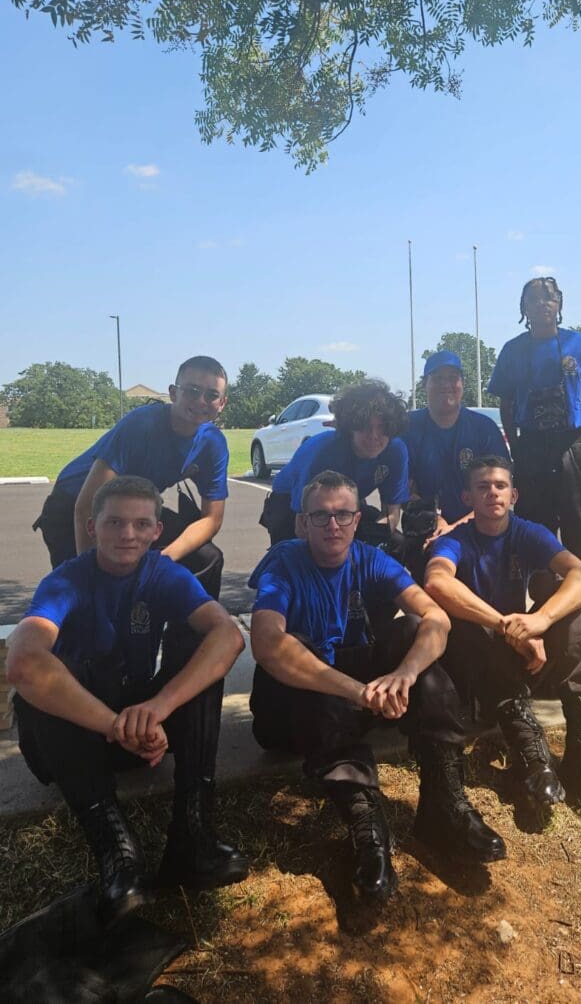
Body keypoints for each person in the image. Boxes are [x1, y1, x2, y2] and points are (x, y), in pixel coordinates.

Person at [249, 469, 506, 906]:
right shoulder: (284, 562)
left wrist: (404, 674)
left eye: (343, 515)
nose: (333, 525)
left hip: (354, 698)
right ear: (301, 523)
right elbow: (267, 643)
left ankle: (443, 803)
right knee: (303, 649)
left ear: (357, 519)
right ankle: (366, 826)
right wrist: (354, 689)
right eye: (321, 515)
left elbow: (436, 618)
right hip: (291, 710)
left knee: (414, 636)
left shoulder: (370, 558)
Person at [8, 476, 249, 922]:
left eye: (141, 524)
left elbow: (228, 637)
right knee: (41, 687)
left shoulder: (164, 573)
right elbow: (21, 661)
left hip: (136, 730)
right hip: (74, 743)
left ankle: (191, 838)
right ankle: (118, 852)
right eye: (115, 522)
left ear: (158, 531)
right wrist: (113, 724)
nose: (128, 534)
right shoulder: (67, 581)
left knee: (199, 656)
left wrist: (158, 708)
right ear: (92, 526)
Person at [425, 456, 581, 820]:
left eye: (500, 486)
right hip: (477, 671)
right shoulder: (456, 540)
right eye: (482, 487)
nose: (492, 493)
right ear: (467, 498)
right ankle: (530, 754)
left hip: (522, 653)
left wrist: (538, 621)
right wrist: (508, 625)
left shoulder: (527, 532)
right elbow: (437, 581)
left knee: (576, 618)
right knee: (478, 630)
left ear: (514, 494)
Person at [33, 355, 229, 597]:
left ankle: (195, 634)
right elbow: (86, 507)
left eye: (211, 395)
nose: (201, 401)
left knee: (205, 559)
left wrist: (163, 560)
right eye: (192, 391)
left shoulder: (213, 443)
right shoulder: (141, 424)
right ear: (174, 393)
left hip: (133, 510)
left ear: (222, 403)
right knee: (85, 596)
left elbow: (212, 519)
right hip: (73, 507)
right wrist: (93, 577)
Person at [487, 277, 581, 616]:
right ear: (523, 308)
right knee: (536, 531)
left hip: (573, 447)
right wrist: (515, 447)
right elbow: (506, 403)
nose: (542, 303)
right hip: (531, 449)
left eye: (549, 297)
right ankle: (544, 611)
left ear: (559, 303)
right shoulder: (512, 350)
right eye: (533, 299)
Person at [260, 379, 409, 554]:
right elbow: (303, 525)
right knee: (295, 555)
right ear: (350, 426)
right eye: (365, 427)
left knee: (394, 543)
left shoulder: (396, 450)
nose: (374, 436)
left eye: (383, 428)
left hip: (347, 501)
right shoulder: (323, 453)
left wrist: (375, 542)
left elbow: (392, 511)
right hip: (291, 503)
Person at [402, 350, 508, 579]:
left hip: (478, 525)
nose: (446, 385)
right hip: (428, 530)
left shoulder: (483, 428)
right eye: (437, 378)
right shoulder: (408, 428)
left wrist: (457, 527)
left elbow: (500, 490)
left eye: (453, 378)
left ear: (462, 384)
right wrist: (435, 520)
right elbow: (404, 490)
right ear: (424, 384)